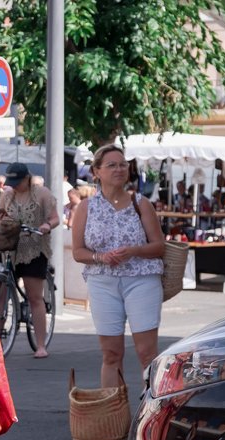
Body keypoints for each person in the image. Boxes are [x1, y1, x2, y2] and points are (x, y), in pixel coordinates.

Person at [70, 144, 165, 388]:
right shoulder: (86, 207)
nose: (119, 169)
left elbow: (159, 246)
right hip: (102, 283)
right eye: (111, 165)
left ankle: (152, 416)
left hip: (141, 281)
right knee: (111, 354)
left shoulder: (141, 203)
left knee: (147, 353)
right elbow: (79, 252)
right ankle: (113, 419)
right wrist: (101, 257)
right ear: (96, 171)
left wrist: (134, 251)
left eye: (123, 164)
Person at [0, 161, 59, 358]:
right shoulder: (7, 194)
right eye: (10, 181)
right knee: (1, 291)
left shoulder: (42, 194)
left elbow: (56, 218)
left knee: (34, 297)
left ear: (26, 179)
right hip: (10, 246)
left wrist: (47, 225)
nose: (13, 185)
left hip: (33, 247)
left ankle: (41, 345)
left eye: (17, 181)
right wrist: (0, 222)